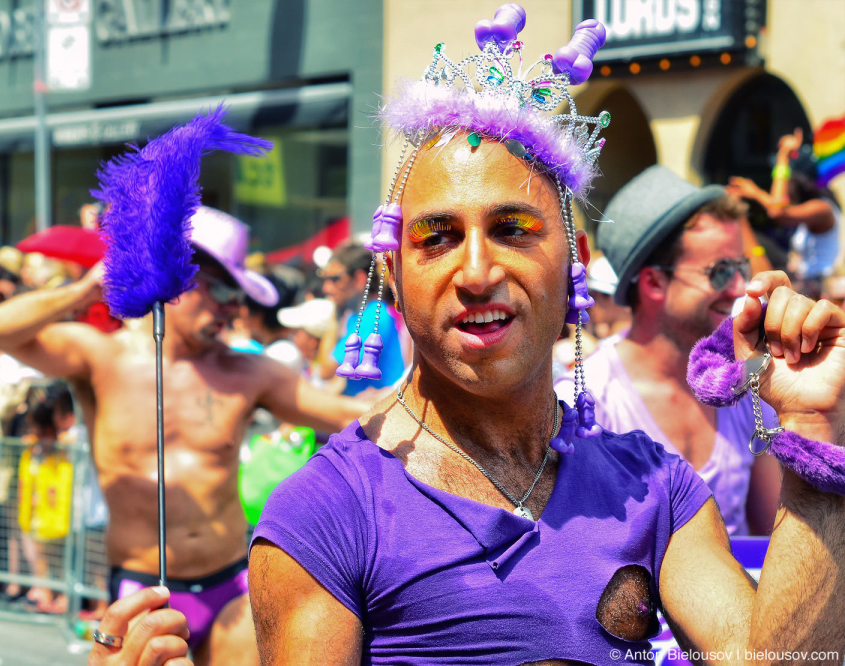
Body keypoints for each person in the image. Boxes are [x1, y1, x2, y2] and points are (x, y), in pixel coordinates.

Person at [93, 7, 845, 662]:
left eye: (514, 230)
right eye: (438, 237)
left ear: (574, 265)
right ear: (393, 271)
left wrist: (815, 437)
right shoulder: (327, 515)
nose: (476, 269)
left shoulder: (656, 487)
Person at [0, 206, 369, 665]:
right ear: (175, 279)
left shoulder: (247, 372)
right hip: (143, 589)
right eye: (221, 289)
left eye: (238, 296)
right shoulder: (103, 357)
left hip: (231, 587)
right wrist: (85, 288)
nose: (232, 308)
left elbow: (350, 412)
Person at [556, 166, 783, 536]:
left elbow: (772, 539)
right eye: (721, 271)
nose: (740, 287)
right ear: (654, 282)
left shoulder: (744, 387)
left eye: (741, 267)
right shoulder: (587, 405)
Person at [727, 128, 841, 299]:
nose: (779, 189)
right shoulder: (807, 214)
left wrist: (782, 157)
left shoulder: (822, 209)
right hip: (804, 280)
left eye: (784, 180)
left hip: (817, 289)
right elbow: (778, 207)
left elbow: (777, 211)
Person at [318, 242, 407, 395]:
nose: (326, 288)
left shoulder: (374, 317)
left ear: (359, 279)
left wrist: (333, 319)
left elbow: (325, 371)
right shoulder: (358, 315)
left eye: (335, 279)